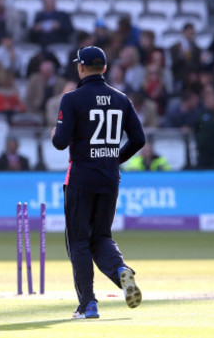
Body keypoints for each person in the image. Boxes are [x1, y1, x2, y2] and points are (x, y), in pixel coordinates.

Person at [51, 46, 146, 319]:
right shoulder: (121, 99)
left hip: (81, 179)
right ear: (104, 68)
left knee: (79, 241)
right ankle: (120, 271)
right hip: (109, 179)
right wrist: (114, 159)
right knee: (102, 236)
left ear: (81, 68)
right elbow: (139, 140)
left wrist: (54, 132)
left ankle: (88, 304)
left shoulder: (72, 99)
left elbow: (59, 143)